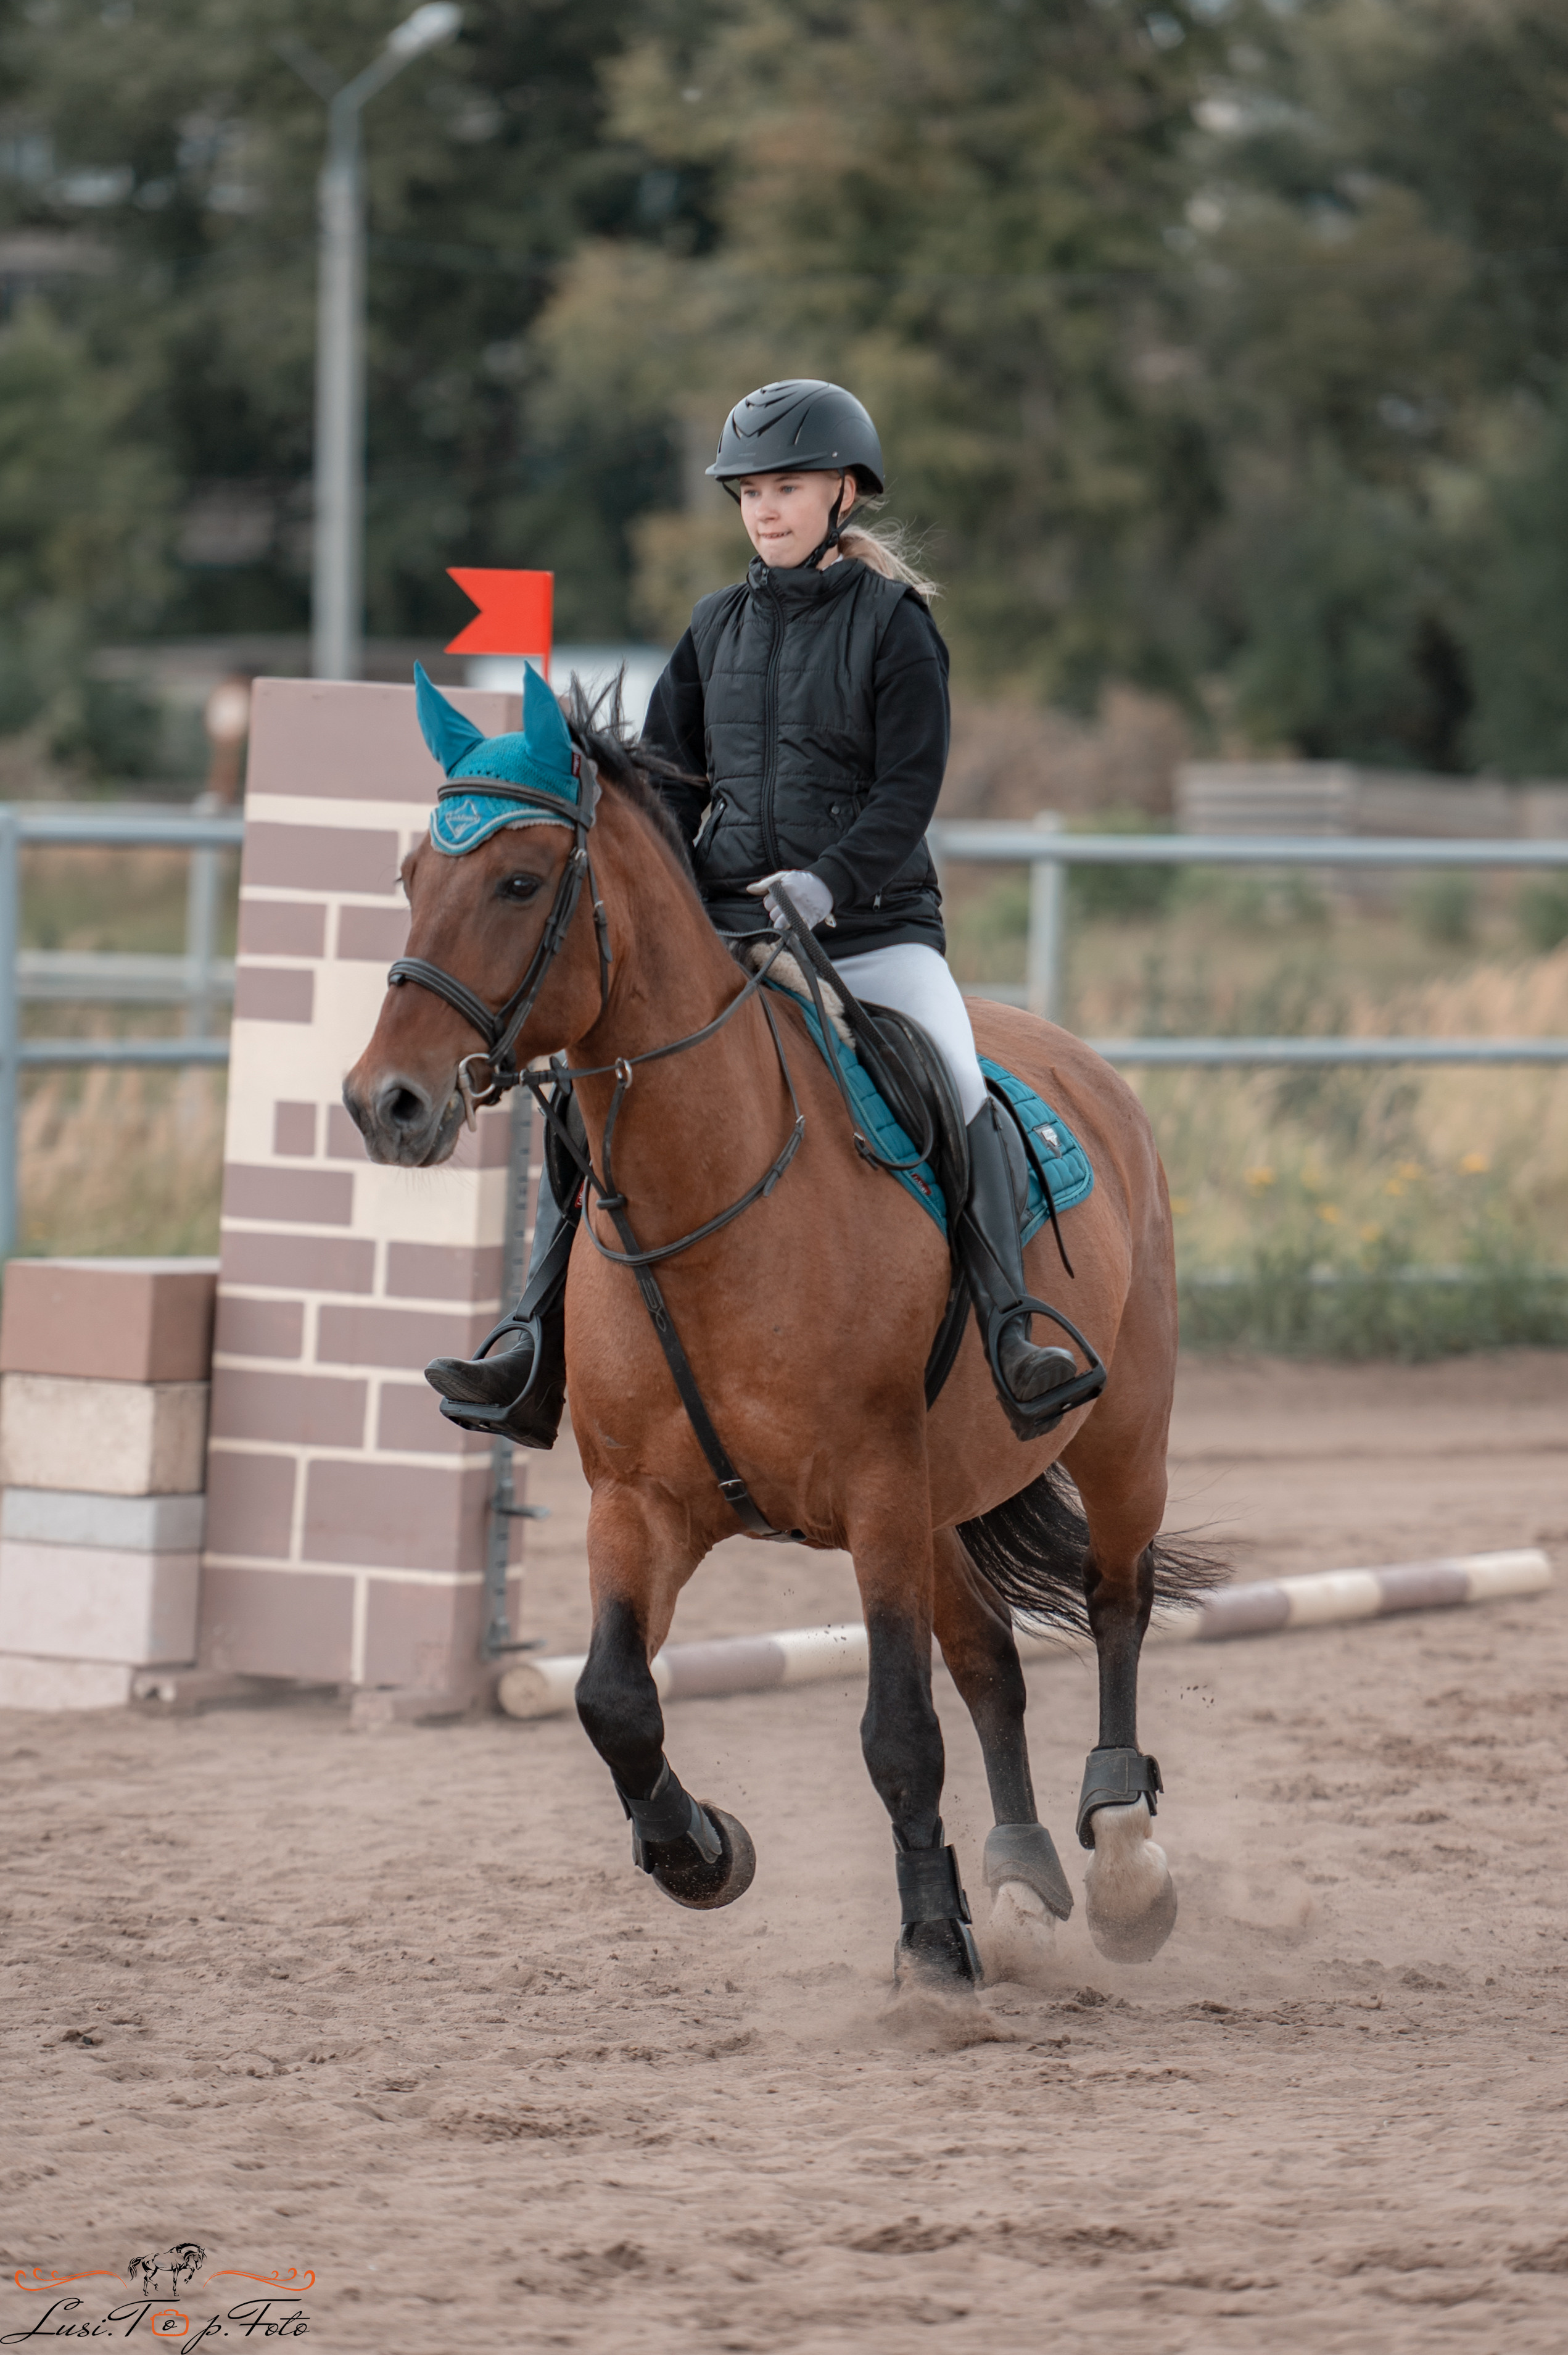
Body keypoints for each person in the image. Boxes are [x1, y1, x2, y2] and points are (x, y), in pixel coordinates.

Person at [424, 378, 1078, 1447]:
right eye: (748, 493)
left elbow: (906, 791)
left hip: (868, 928)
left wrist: (827, 881)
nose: (764, 510)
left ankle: (1012, 1328)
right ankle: (531, 1339)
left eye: (785, 488)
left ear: (843, 494)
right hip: (728, 926)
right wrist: (661, 893)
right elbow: (666, 782)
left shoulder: (895, 628)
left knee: (958, 1082)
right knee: (578, 1105)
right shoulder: (713, 623)